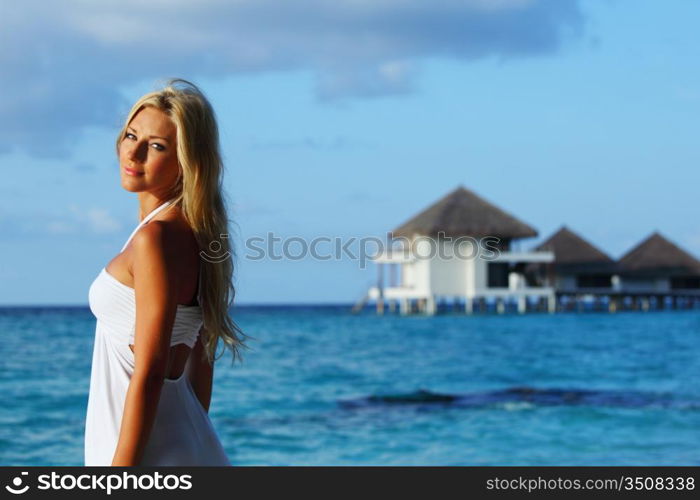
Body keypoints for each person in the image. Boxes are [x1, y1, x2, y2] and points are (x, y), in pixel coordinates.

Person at [84, 79, 248, 466]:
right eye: (130, 135)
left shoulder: (155, 239)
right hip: (184, 443)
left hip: (148, 456)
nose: (134, 152)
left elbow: (153, 370)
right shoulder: (194, 232)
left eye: (156, 146)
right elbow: (200, 366)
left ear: (187, 161)